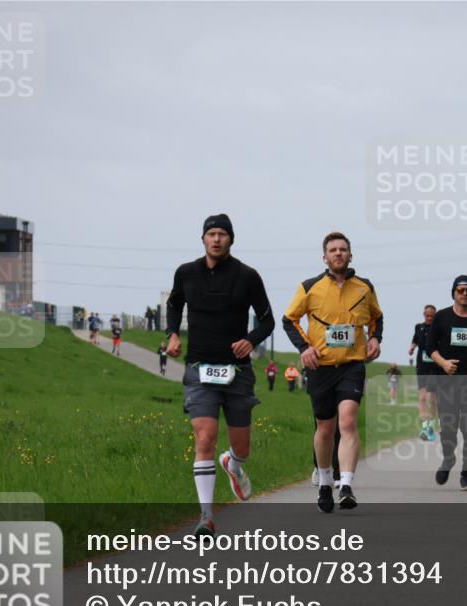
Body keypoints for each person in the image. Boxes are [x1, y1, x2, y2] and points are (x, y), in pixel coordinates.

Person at [165, 213, 275, 536]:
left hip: (237, 371)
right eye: (211, 234)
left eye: (222, 234)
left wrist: (250, 340)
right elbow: (174, 304)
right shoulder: (186, 273)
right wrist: (173, 334)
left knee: (241, 447)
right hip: (199, 368)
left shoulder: (247, 276)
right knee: (205, 438)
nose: (216, 239)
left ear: (231, 239)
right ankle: (206, 517)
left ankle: (233, 464)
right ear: (202, 239)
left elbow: (267, 320)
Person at [282, 231, 383, 513]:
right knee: (325, 428)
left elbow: (377, 317)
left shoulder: (364, 287)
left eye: (343, 249)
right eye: (333, 250)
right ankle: (325, 480)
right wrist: (304, 347)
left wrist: (376, 339)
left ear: (351, 255)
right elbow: (289, 319)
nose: (338, 253)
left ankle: (347, 484)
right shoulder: (309, 287)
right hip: (320, 367)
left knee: (348, 422)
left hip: (352, 365)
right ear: (324, 257)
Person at [425, 275, 467, 491]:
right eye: (461, 290)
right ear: (454, 292)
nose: (465, 294)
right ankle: (448, 458)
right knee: (448, 426)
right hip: (447, 381)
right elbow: (430, 347)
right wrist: (444, 363)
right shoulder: (442, 317)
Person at [408, 305, 439, 441]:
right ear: (424, 315)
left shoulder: (439, 328)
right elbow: (415, 339)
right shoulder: (418, 327)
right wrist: (412, 347)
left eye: (432, 316)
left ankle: (431, 426)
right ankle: (425, 426)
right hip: (422, 365)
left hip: (435, 365)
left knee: (431, 398)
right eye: (427, 316)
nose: (429, 318)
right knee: (422, 397)